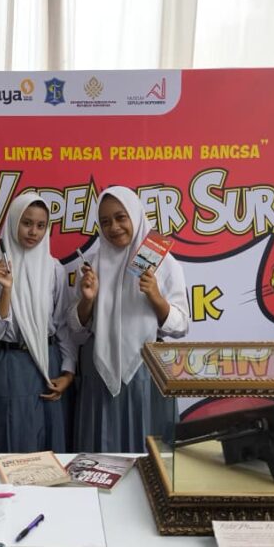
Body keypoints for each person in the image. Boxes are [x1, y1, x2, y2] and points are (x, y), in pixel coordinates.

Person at [69, 186, 189, 452]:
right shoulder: (91, 265)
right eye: (105, 221)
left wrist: (155, 296)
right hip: (99, 367)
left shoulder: (163, 263)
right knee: (101, 451)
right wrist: (87, 300)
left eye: (121, 217)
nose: (114, 227)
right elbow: (76, 330)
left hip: (147, 370)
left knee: (149, 453)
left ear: (135, 215)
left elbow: (181, 326)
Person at [0, 192, 76, 453]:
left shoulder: (54, 269)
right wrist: (6, 289)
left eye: (41, 225)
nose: (33, 232)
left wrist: (68, 373)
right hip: (11, 365)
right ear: (13, 222)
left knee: (50, 447)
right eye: (26, 223)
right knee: (12, 444)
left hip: (48, 363)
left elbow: (63, 325)